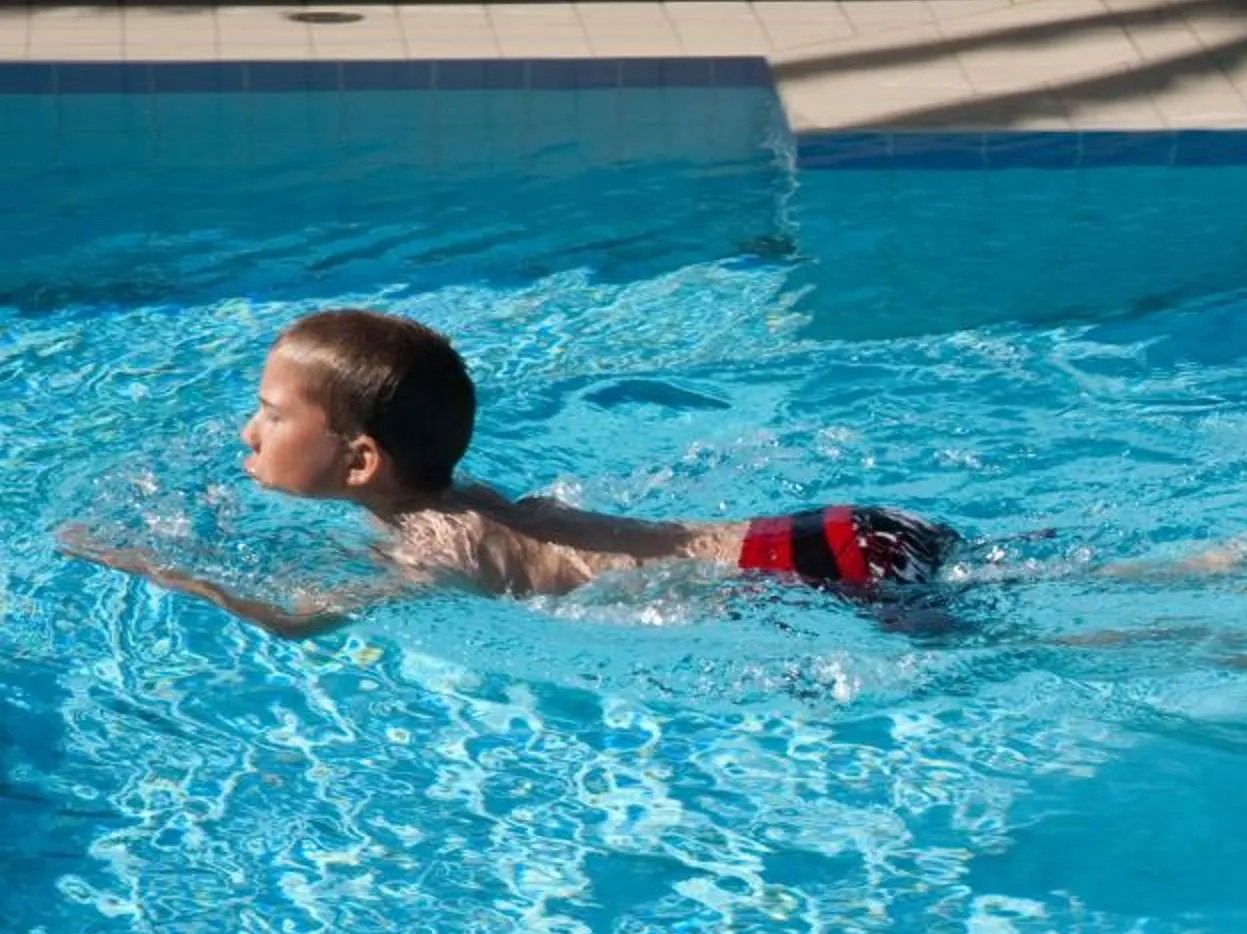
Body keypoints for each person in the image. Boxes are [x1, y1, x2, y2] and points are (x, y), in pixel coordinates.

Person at [55, 309, 958, 641]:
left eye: (274, 413)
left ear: (362, 459)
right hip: (824, 533)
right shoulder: (470, 502)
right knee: (1027, 580)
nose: (248, 429)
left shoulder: (429, 543)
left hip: (804, 571)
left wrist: (132, 556)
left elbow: (293, 620)